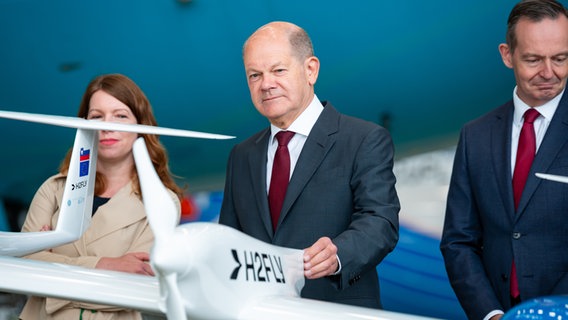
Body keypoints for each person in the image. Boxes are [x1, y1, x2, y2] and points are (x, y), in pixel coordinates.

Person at [218, 21, 400, 309]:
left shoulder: (363, 139)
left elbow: (380, 222)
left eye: (278, 70)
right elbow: (230, 243)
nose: (266, 84)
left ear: (311, 69)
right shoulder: (241, 156)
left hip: (337, 310)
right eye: (255, 75)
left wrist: (338, 254)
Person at [440, 1, 568, 319]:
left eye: (561, 59)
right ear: (507, 55)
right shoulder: (476, 135)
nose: (548, 73)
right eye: (533, 60)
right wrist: (491, 313)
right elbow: (459, 241)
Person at [19, 73, 183, 319]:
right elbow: (23, 269)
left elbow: (134, 288)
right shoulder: (53, 189)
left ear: (141, 126)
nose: (107, 126)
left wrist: (51, 266)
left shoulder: (162, 203)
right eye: (96, 116)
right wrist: (106, 264)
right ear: (84, 124)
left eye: (120, 116)